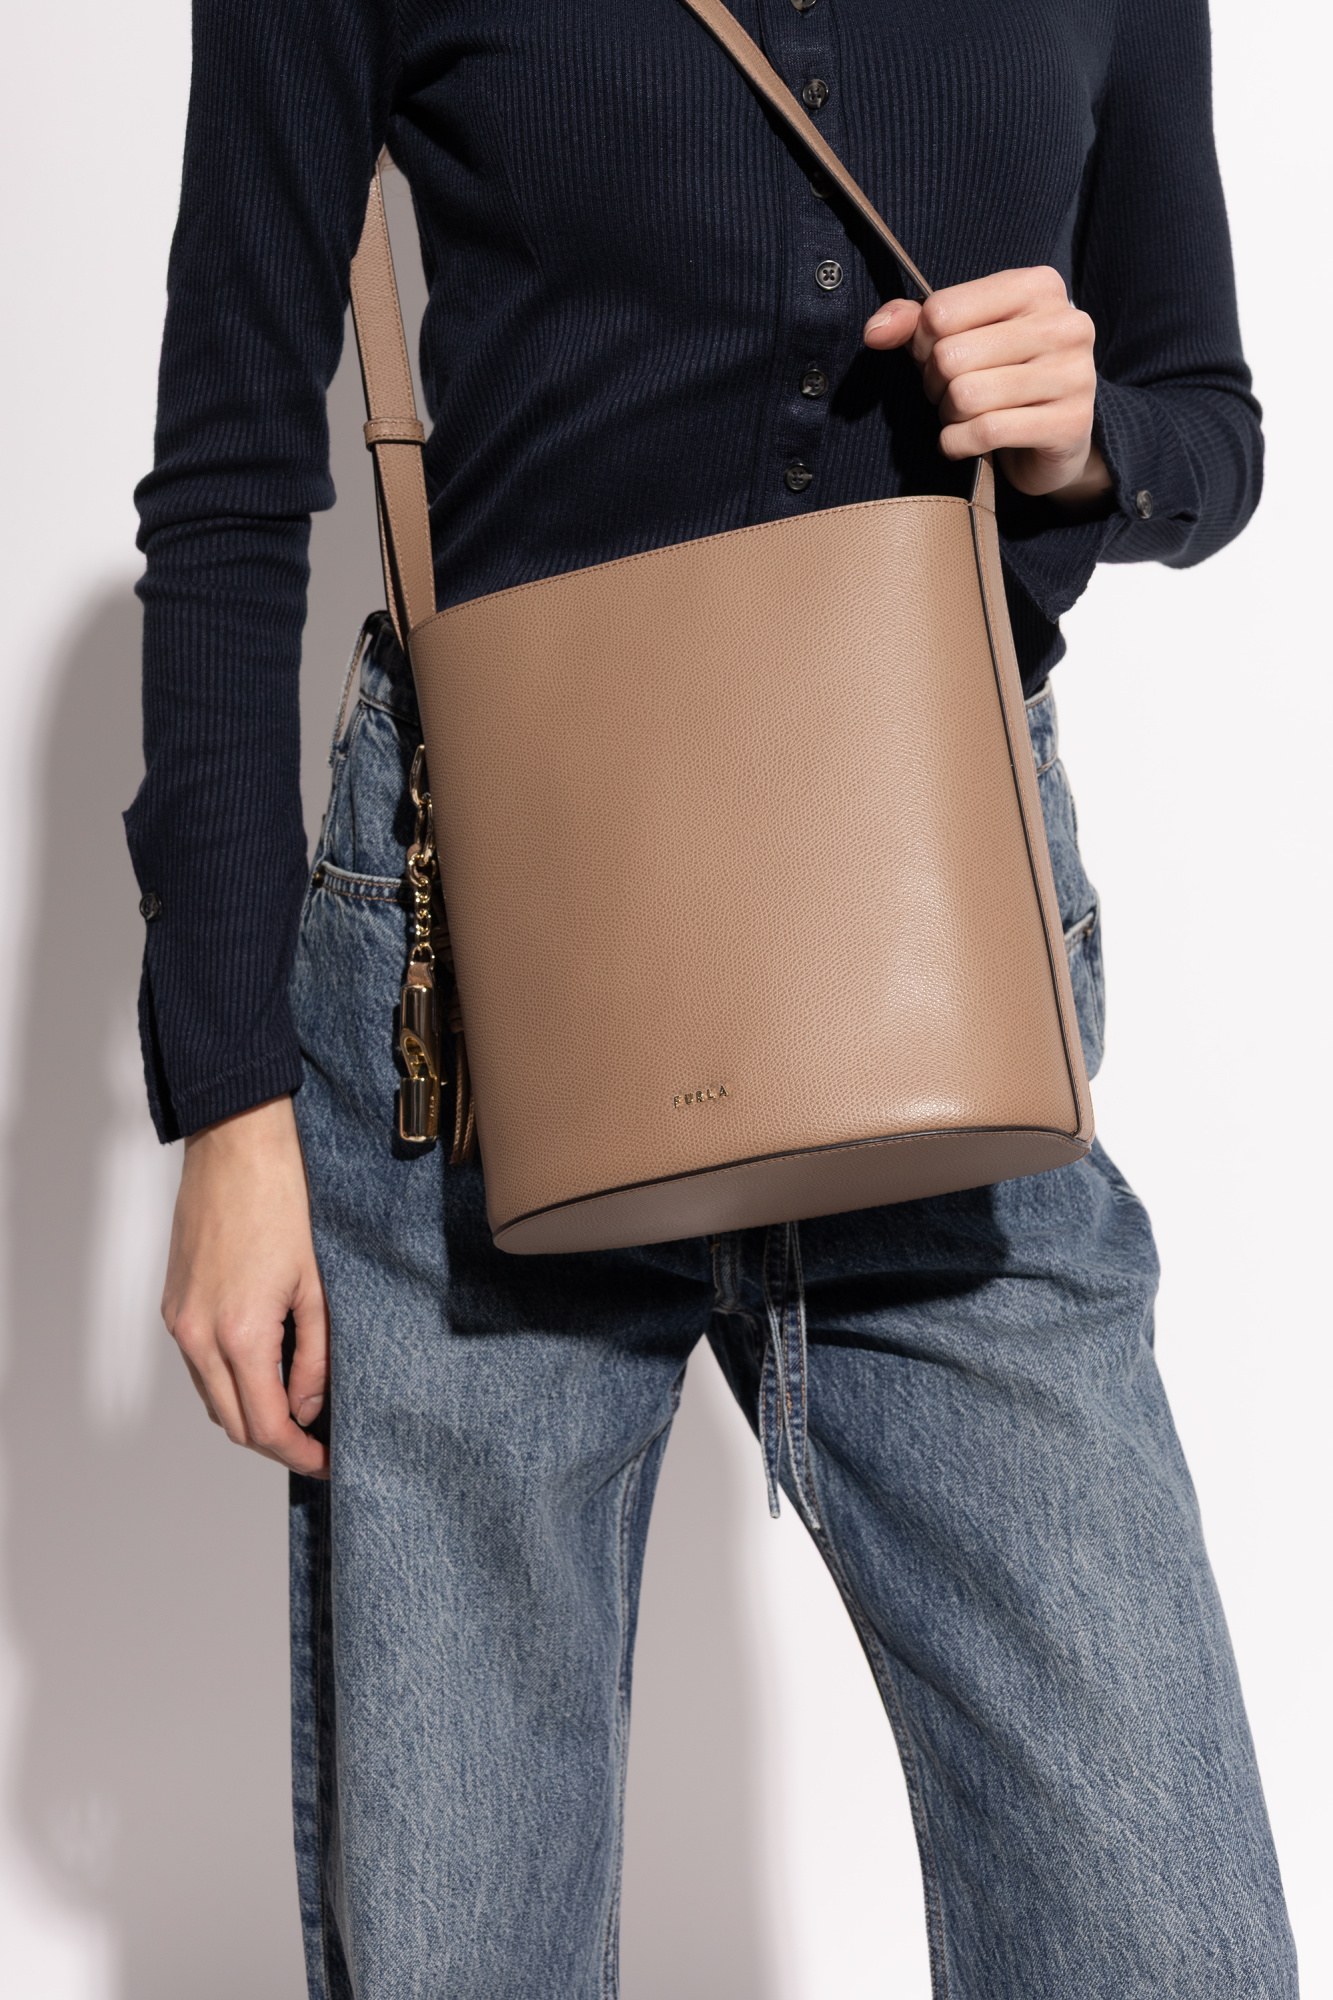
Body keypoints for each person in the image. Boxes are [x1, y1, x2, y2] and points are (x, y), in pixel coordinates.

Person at [129, 0, 1297, 1993]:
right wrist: (229, 1106)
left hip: (938, 946)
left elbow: (1209, 426)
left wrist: (1092, 432)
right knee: (464, 1948)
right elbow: (229, 485)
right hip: (480, 995)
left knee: (1157, 1931)